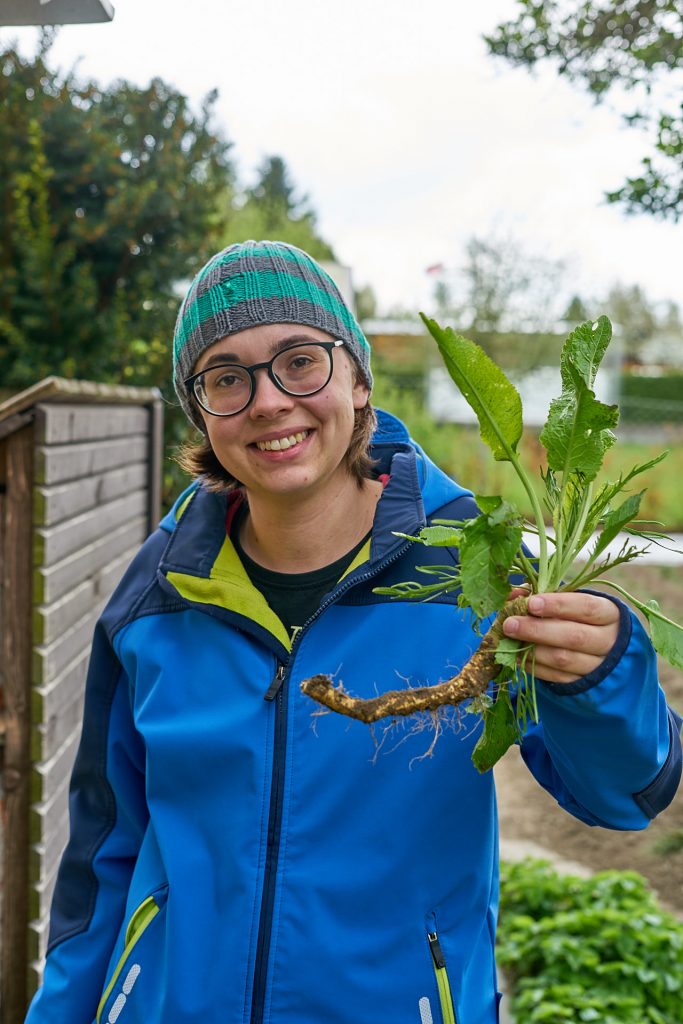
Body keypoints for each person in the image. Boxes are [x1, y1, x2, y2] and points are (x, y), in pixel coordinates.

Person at [26, 240, 681, 1024]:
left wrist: (601, 674)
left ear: (358, 376)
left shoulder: (479, 569)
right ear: (200, 410)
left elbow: (624, 794)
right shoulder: (158, 594)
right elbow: (102, 853)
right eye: (226, 378)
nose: (268, 401)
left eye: (299, 361)